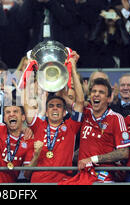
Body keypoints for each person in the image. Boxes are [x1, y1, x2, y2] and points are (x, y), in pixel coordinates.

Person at [22, 52, 84, 183]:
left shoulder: (72, 126)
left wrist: (72, 68)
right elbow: (25, 102)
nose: (55, 108)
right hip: (38, 181)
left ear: (64, 112)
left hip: (63, 180)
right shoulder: (38, 125)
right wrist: (29, 72)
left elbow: (80, 102)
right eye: (51, 106)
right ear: (46, 111)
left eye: (58, 106)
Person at [77, 77, 130, 182]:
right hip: (83, 177)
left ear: (109, 98)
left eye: (101, 92)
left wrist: (92, 160)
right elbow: (74, 101)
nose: (96, 94)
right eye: (93, 91)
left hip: (104, 178)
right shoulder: (86, 113)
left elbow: (124, 152)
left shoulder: (116, 118)